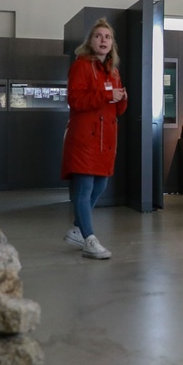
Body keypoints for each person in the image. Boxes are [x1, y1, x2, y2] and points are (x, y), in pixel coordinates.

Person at [60, 18, 128, 259]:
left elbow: (116, 110)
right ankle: (89, 238)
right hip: (85, 138)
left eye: (107, 37)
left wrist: (121, 98)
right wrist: (107, 94)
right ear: (90, 41)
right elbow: (76, 100)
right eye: (99, 36)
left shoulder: (113, 71)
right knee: (84, 187)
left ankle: (79, 229)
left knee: (101, 184)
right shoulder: (81, 66)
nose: (103, 40)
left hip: (105, 139)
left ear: (112, 44)